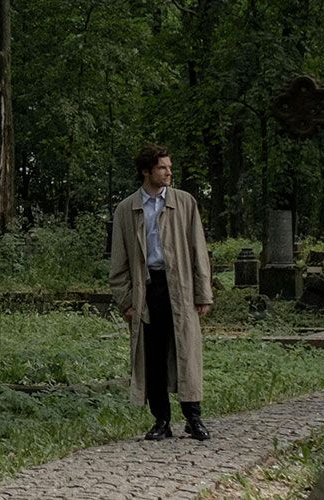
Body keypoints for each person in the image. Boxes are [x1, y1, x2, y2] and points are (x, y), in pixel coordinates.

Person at [109, 144, 213, 441]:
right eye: (162, 168)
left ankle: (194, 418)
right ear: (146, 171)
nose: (169, 172)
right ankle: (161, 421)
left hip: (179, 287)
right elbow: (119, 263)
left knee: (186, 351)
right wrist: (127, 301)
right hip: (148, 289)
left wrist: (203, 292)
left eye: (169, 167)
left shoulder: (184, 203)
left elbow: (198, 250)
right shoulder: (127, 209)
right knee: (152, 356)